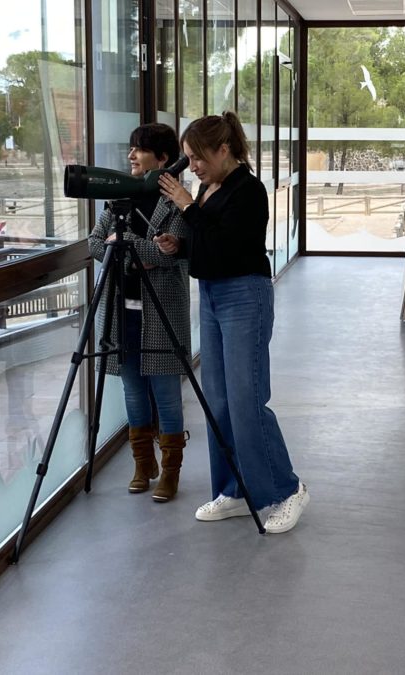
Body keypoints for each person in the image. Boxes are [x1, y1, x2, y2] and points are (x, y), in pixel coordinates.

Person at [157, 111, 309, 534]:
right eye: (188, 158)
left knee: (247, 399)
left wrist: (187, 208)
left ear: (224, 149)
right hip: (212, 293)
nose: (193, 167)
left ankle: (286, 490)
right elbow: (208, 242)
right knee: (218, 401)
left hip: (245, 294)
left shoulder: (249, 189)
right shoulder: (208, 187)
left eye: (198, 157)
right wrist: (181, 245)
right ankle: (236, 489)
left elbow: (232, 244)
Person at [88, 123, 190, 503]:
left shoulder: (177, 200)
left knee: (165, 391)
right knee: (131, 387)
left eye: (139, 150)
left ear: (162, 159)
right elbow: (95, 244)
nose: (131, 156)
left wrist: (127, 244)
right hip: (121, 309)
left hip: (162, 308)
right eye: (130, 149)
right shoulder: (117, 199)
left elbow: (169, 256)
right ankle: (142, 464)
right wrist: (141, 253)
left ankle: (171, 471)